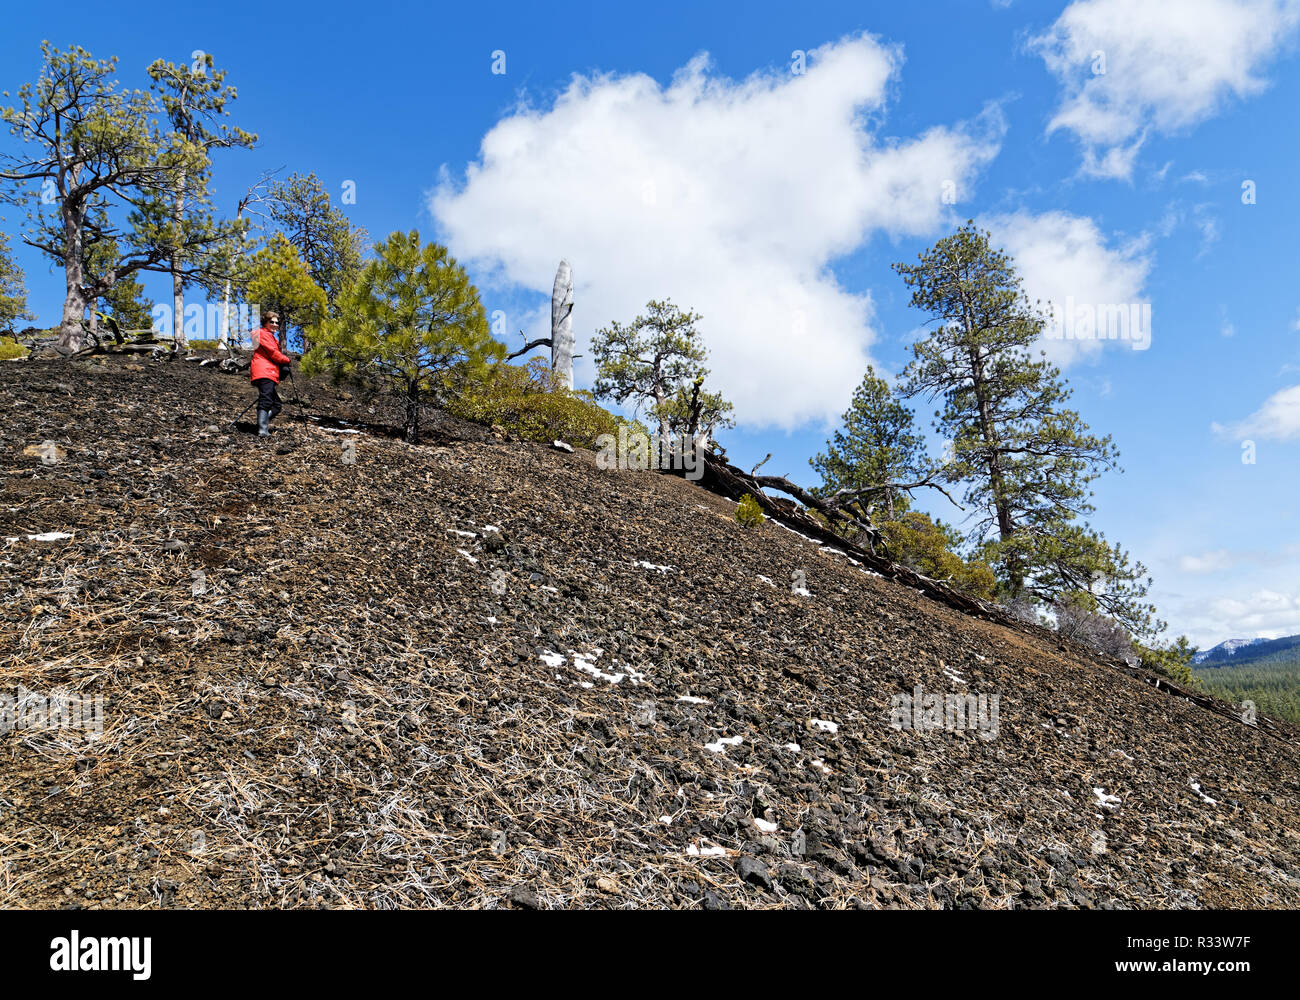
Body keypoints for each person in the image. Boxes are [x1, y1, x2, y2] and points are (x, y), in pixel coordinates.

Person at [250, 312, 293, 437]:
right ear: (265, 323)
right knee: (266, 400)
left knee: (276, 404)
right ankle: (262, 430)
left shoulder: (270, 336)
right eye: (271, 322)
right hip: (264, 371)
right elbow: (273, 353)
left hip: (267, 371)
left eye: (276, 322)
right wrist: (287, 360)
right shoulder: (262, 334)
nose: (275, 324)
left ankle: (261, 424)